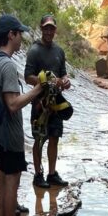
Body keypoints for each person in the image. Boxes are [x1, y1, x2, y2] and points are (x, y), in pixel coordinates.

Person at [0, 14, 44, 216]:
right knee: (12, 178)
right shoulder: (7, 65)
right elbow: (12, 104)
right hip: (10, 131)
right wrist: (36, 90)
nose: (21, 37)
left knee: (1, 173)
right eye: (19, 33)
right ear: (10, 35)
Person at [24, 14, 71, 189]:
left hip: (56, 103)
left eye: (51, 28)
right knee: (39, 139)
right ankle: (38, 174)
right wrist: (46, 81)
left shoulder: (59, 51)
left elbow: (63, 72)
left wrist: (65, 80)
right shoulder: (34, 51)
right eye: (46, 28)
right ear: (41, 29)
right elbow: (28, 76)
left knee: (54, 137)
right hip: (39, 103)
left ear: (55, 30)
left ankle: (52, 173)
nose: (49, 31)